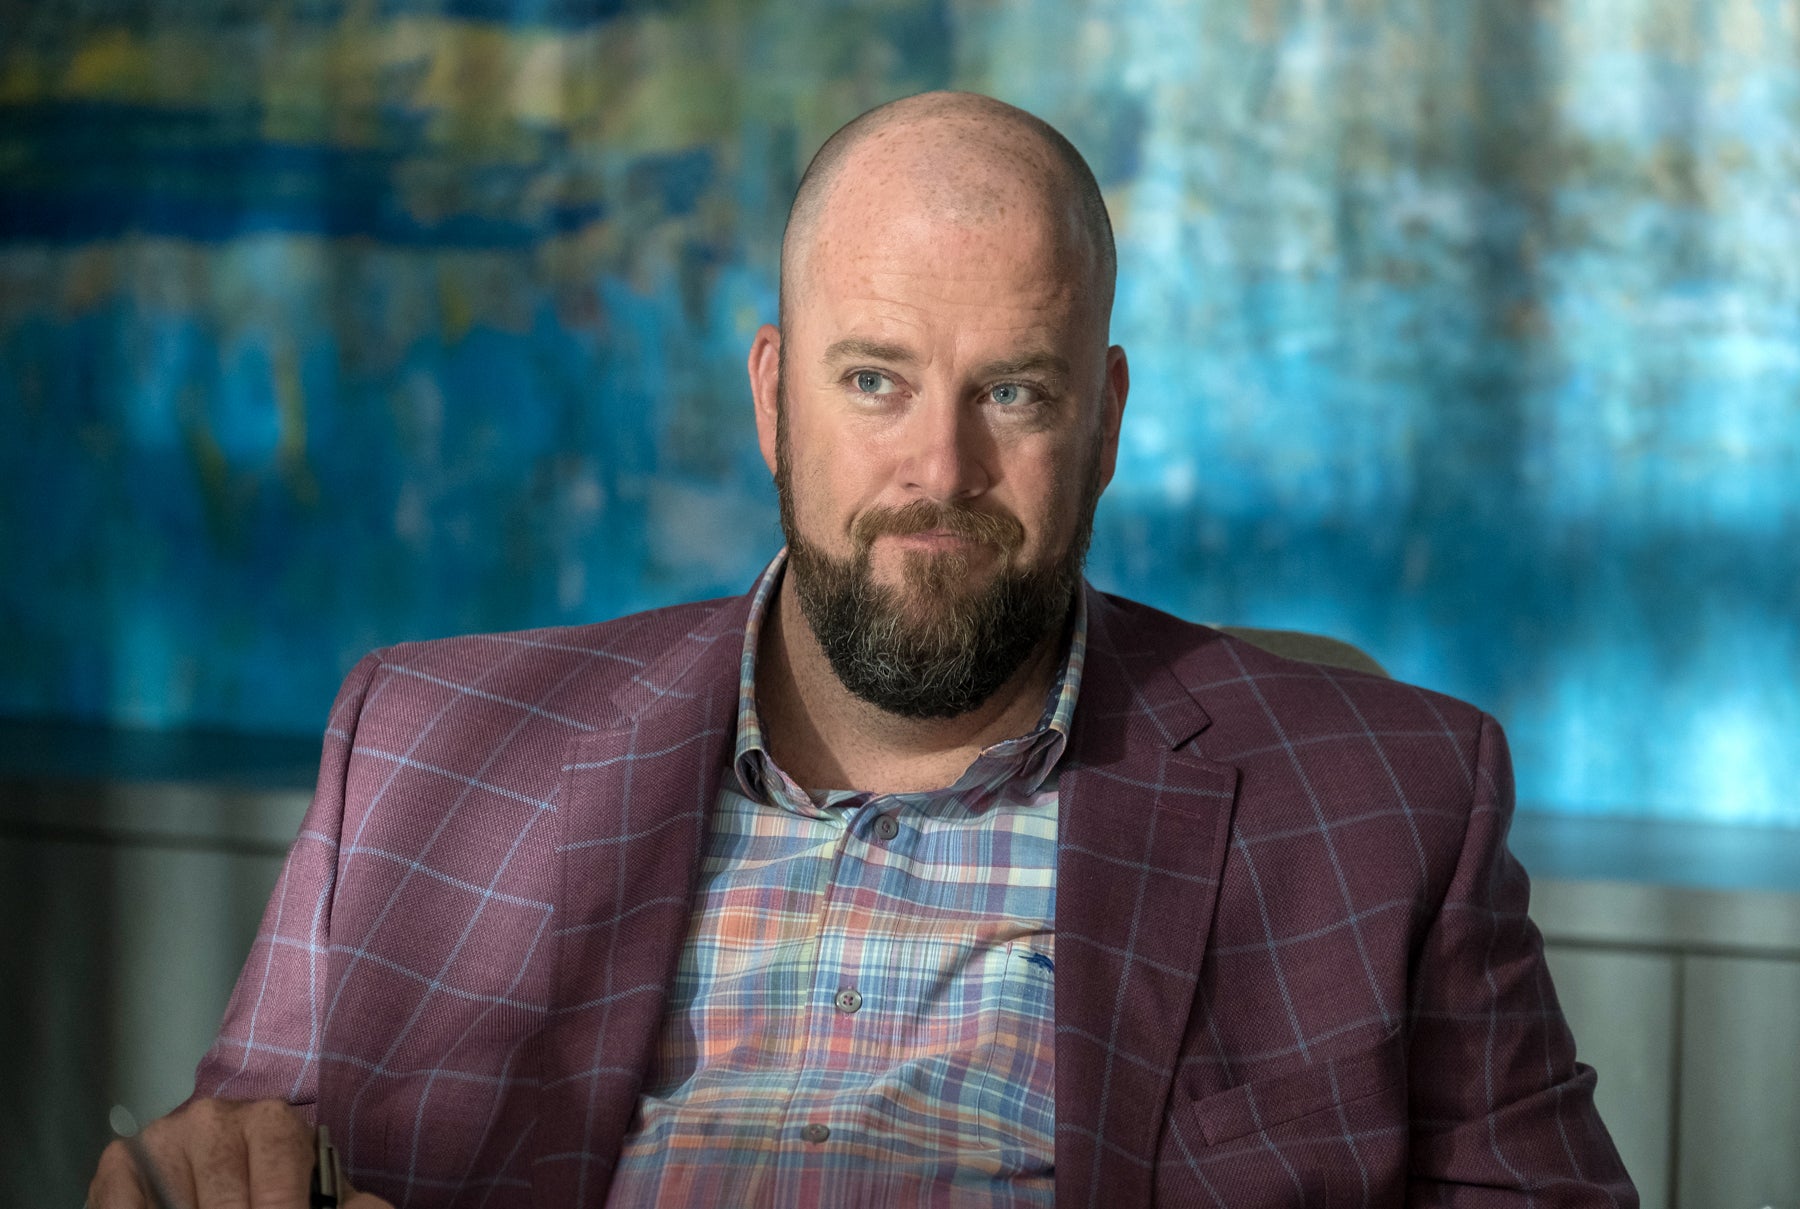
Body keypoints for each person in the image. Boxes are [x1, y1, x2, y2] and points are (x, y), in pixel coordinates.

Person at [89, 91, 1636, 1208]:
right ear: (774, 397)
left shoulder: (1389, 800)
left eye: (1013, 393)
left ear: (1102, 420)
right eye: (876, 379)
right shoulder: (423, 743)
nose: (940, 471)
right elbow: (232, 1165)